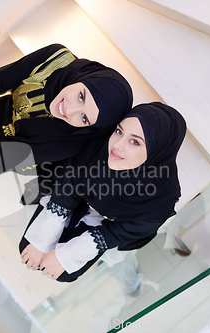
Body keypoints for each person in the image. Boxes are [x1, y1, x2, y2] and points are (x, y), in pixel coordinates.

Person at [0, 44, 133, 183]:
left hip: (13, 147)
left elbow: (10, 157)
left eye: (84, 118)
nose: (69, 111)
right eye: (81, 96)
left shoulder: (74, 139)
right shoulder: (55, 60)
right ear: (85, 79)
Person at [19, 102, 187, 282]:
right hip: (80, 194)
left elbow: (129, 229)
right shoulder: (99, 144)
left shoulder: (161, 197)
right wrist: (50, 224)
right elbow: (72, 177)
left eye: (135, 141)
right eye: (119, 131)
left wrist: (74, 252)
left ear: (157, 151)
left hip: (112, 221)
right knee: (32, 245)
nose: (117, 145)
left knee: (66, 271)